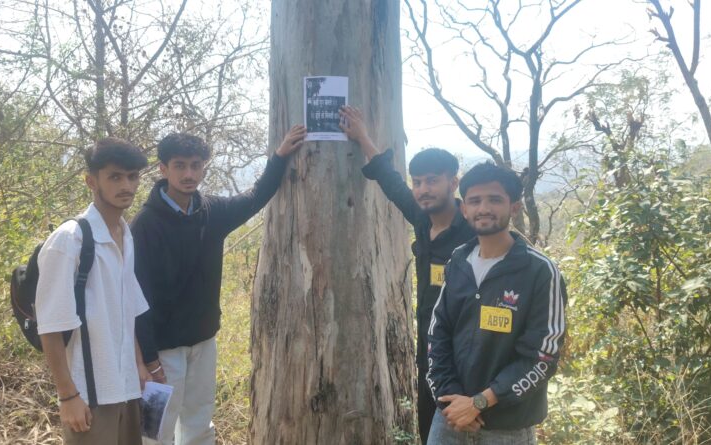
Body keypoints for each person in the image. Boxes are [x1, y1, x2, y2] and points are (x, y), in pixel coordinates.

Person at [132, 125, 307, 445]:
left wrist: (280, 156)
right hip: (162, 350)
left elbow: (255, 197)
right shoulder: (145, 225)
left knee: (199, 422)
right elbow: (136, 296)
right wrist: (148, 358)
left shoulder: (212, 212)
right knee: (154, 430)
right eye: (180, 165)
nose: (189, 173)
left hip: (203, 342)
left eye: (196, 165)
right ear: (163, 169)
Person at [339, 106, 475, 443]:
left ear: (452, 183)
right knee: (431, 429)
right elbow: (390, 180)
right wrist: (363, 138)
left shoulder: (474, 231)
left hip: (469, 356)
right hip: (430, 353)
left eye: (433, 181)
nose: (423, 189)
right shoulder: (421, 217)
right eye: (419, 182)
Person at [425, 162, 567, 444]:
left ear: (514, 207)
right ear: (464, 208)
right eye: (475, 201)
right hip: (449, 420)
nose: (484, 208)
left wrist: (479, 402)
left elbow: (542, 355)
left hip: (507, 428)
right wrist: (452, 402)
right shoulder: (458, 261)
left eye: (495, 199)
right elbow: (437, 334)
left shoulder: (539, 270)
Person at [36, 137, 151, 445]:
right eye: (115, 176)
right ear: (91, 181)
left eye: (132, 176)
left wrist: (138, 364)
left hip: (125, 387)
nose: (126, 185)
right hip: (89, 395)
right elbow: (50, 326)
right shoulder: (69, 240)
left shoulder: (125, 234)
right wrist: (68, 396)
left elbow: (127, 310)